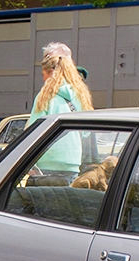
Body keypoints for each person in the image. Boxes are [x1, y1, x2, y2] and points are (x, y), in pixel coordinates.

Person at [29, 45, 93, 173]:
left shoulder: (44, 96)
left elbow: (33, 132)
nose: (43, 79)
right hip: (72, 163)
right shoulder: (81, 95)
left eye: (43, 74)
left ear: (51, 73)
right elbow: (87, 132)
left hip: (45, 164)